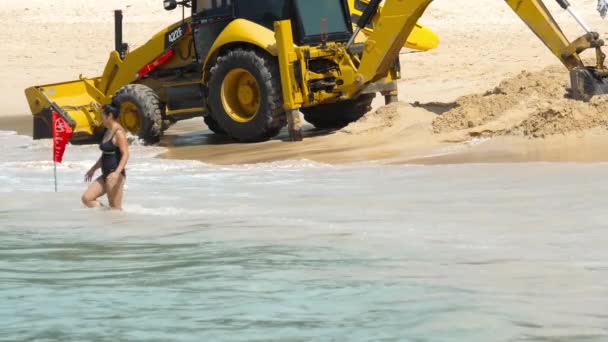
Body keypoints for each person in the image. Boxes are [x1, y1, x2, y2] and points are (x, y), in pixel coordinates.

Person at [82, 104, 129, 210]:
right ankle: (104, 217)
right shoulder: (108, 130)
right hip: (105, 174)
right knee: (87, 198)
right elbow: (105, 154)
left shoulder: (119, 133)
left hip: (114, 175)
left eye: (102, 115)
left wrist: (117, 173)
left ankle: (117, 224)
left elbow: (125, 154)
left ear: (110, 116)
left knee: (115, 209)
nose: (100, 117)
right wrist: (93, 169)